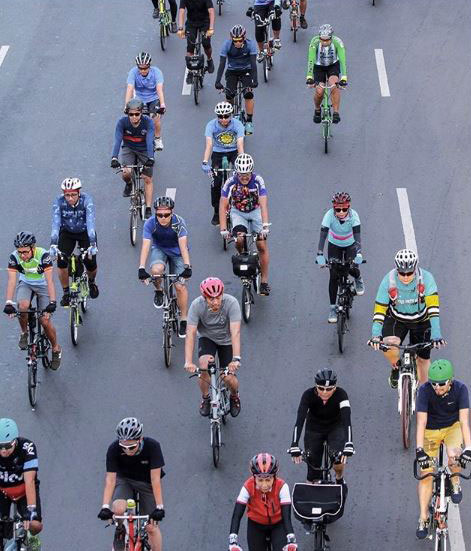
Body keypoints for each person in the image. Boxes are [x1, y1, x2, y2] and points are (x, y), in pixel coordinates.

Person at [368, 249, 446, 387]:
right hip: (396, 319)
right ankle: (396, 368)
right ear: (396, 269)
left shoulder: (427, 279)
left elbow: (433, 310)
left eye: (409, 273)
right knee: (390, 344)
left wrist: (436, 334)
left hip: (422, 320)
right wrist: (375, 335)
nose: (405, 277)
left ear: (415, 268)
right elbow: (380, 309)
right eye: (402, 273)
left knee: (423, 361)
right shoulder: (388, 280)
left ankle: (423, 395)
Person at [415, 360, 471, 539]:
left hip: (452, 427)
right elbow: (421, 422)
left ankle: (455, 482)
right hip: (430, 432)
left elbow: (464, 421)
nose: (437, 388)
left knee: (454, 454)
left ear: (451, 381)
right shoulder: (424, 391)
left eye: (441, 384)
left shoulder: (461, 390)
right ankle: (423, 517)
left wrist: (468, 448)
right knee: (426, 474)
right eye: (434, 384)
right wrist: (419, 450)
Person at [98, 418, 165, 551]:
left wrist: (159, 507)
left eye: (131, 447)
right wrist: (105, 507)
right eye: (124, 447)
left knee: (151, 527)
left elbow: (155, 479)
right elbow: (111, 479)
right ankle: (120, 530)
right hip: (125, 480)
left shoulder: (153, 447)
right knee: (118, 509)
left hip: (147, 482)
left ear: (140, 439)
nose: (128, 451)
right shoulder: (113, 449)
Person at [184, 277, 242, 417]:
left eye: (218, 297)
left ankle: (234, 396)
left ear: (222, 294)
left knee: (227, 377)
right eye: (211, 298)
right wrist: (188, 361)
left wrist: (236, 358)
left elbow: (235, 332)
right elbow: (190, 333)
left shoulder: (231, 303)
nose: (215, 302)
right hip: (207, 338)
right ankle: (205, 398)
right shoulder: (196, 305)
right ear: (204, 297)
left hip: (227, 340)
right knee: (204, 366)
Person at [4, 232, 61, 370]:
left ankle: (55, 349)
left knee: (45, 321)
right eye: (20, 252)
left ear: (33, 248)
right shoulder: (14, 257)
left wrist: (52, 302)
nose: (22, 255)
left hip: (43, 286)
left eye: (25, 252)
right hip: (26, 284)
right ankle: (24, 332)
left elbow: (50, 281)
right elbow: (12, 281)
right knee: (22, 306)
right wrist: (8, 302)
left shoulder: (43, 255)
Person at [288, 369, 354, 483]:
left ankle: (339, 477)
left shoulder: (341, 394)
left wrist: (349, 443)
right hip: (314, 428)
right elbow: (300, 420)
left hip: (335, 427)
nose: (324, 392)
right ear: (315, 386)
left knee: (338, 460)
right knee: (312, 467)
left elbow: (347, 420)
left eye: (329, 389)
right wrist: (294, 444)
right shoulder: (307, 395)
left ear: (335, 387)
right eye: (321, 388)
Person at [138, 196, 191, 338]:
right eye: (159, 215)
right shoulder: (150, 223)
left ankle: (184, 319)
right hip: (159, 249)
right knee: (156, 271)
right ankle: (158, 290)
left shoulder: (179, 223)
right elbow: (146, 245)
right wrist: (141, 268)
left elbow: (183, 246)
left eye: (166, 215)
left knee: (180, 286)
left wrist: (187, 266)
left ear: (171, 213)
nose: (163, 218)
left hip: (177, 252)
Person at [220, 153, 271, 295]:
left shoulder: (258, 181)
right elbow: (223, 204)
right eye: (241, 175)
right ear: (237, 172)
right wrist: (223, 229)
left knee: (261, 244)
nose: (244, 178)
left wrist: (265, 226)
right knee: (239, 238)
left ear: (251, 171)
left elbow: (263, 204)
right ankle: (242, 257)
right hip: (238, 212)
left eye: (247, 174)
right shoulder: (230, 182)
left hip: (255, 211)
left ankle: (264, 281)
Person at [228, 453, 298, 551]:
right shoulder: (247, 486)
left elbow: (286, 516)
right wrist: (233, 540)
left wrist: (291, 539)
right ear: (254, 477)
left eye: (268, 480)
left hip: (278, 524)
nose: (264, 485)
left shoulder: (282, 487)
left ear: (274, 476)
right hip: (256, 525)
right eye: (260, 480)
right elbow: (237, 515)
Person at [49, 178, 99, 307]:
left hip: (85, 232)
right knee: (61, 261)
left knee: (90, 262)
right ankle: (66, 292)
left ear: (79, 192)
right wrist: (53, 244)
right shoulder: (59, 202)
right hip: (67, 232)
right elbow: (56, 223)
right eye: (67, 195)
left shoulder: (87, 200)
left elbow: (90, 222)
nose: (70, 198)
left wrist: (92, 243)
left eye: (73, 195)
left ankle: (91, 282)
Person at [316, 192, 364, 323]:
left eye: (344, 209)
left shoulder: (354, 216)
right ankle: (332, 308)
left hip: (350, 245)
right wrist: (320, 254)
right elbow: (323, 236)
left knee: (352, 267)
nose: (341, 212)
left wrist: (359, 253)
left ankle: (358, 278)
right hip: (334, 245)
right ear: (333, 208)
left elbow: (358, 237)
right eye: (338, 209)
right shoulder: (328, 216)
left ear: (349, 207)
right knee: (333, 275)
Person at [0, 418, 42, 551]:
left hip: (24, 490)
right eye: (0, 446)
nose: (3, 451)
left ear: (15, 441)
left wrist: (31, 513)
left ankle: (32, 539)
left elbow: (29, 481)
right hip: (3, 491)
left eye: (7, 446)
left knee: (35, 525)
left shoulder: (27, 447)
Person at [111, 98, 155, 219]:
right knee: (126, 172)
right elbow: (117, 140)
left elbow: (150, 141)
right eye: (131, 114)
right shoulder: (122, 122)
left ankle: (148, 208)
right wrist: (114, 158)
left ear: (141, 113)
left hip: (144, 149)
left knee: (147, 178)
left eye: (137, 114)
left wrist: (150, 158)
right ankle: (129, 184)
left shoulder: (148, 122)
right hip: (129, 148)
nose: (134, 117)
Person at [202, 102, 245, 225]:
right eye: (220, 116)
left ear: (231, 115)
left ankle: (241, 205)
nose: (223, 119)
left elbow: (240, 144)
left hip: (233, 151)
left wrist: (241, 162)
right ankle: (216, 211)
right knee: (215, 182)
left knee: (242, 177)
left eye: (226, 116)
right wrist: (205, 161)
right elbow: (209, 145)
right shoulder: (211, 125)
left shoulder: (238, 124)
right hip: (218, 153)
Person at [215, 25, 258, 136]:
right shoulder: (227, 45)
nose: (237, 42)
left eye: (240, 40)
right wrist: (218, 81)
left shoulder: (250, 45)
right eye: (235, 40)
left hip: (246, 71)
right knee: (229, 94)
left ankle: (249, 121)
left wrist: (255, 80)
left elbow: (253, 64)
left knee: (248, 94)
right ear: (231, 38)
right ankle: (229, 118)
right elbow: (222, 64)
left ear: (244, 38)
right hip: (232, 71)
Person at [306, 24, 347, 124]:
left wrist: (344, 77)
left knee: (334, 85)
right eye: (322, 39)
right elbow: (311, 59)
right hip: (318, 66)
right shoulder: (314, 42)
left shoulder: (338, 42)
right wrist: (309, 76)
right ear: (319, 37)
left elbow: (342, 60)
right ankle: (317, 109)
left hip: (333, 65)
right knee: (319, 91)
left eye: (327, 40)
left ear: (331, 37)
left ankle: (336, 113)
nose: (324, 42)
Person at [125, 53, 166, 152]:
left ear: (149, 66)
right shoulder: (133, 72)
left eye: (145, 68)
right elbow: (130, 89)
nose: (143, 71)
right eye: (140, 68)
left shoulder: (157, 72)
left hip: (153, 98)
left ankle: (157, 139)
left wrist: (162, 104)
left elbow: (159, 89)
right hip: (140, 98)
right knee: (134, 117)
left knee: (155, 118)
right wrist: (127, 105)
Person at [177, 0, 215, 82]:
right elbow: (181, 11)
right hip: (191, 22)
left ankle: (209, 59)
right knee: (190, 46)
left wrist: (211, 28)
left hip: (204, 22)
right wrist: (180, 28)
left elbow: (211, 11)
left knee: (206, 43)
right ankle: (190, 71)